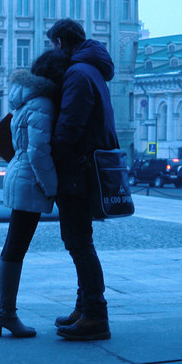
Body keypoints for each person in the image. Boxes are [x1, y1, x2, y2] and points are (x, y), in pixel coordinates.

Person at [47, 19, 117, 341]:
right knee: (80, 242)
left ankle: (94, 314)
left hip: (78, 170)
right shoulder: (93, 71)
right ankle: (84, 307)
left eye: (53, 45)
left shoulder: (77, 73)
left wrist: (53, 154)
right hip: (88, 167)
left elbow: (69, 128)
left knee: (79, 243)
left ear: (61, 43)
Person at [0, 49, 69, 338]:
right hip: (29, 179)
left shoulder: (25, 100)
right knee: (16, 247)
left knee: (14, 245)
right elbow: (39, 153)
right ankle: (6, 312)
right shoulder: (43, 104)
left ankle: (5, 312)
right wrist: (51, 188)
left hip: (19, 175)